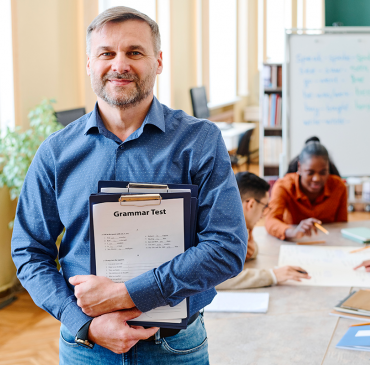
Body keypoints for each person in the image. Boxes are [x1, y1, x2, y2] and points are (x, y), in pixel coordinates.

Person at [11, 7, 247, 364]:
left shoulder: (199, 141)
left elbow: (227, 247)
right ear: (90, 63)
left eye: (135, 52)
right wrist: (82, 323)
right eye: (107, 53)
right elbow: (29, 251)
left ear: (158, 61)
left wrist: (126, 294)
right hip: (85, 348)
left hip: (175, 347)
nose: (120, 64)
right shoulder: (56, 153)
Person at [217, 172, 310, 290]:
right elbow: (217, 278)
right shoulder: (220, 230)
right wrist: (272, 275)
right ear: (250, 204)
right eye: (264, 207)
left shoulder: (236, 224)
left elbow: (253, 250)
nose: (262, 215)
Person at [265, 141, 348, 240]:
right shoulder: (283, 186)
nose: (316, 178)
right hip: (294, 242)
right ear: (299, 167)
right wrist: (293, 232)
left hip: (329, 243)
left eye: (323, 172)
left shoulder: (338, 186)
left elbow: (342, 225)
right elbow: (271, 220)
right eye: (310, 172)